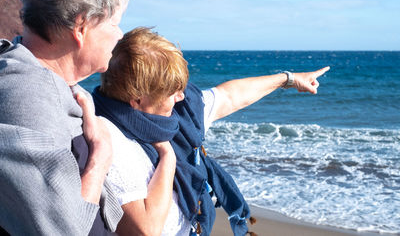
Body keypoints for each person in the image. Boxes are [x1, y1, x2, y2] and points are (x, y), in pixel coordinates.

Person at [92, 27, 330, 236]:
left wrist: (288, 79)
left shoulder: (176, 114)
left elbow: (229, 96)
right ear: (136, 100)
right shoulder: (111, 139)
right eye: (171, 93)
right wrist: (167, 157)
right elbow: (146, 230)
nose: (181, 97)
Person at [0, 0, 129, 235]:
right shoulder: (27, 94)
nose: (120, 35)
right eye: (114, 23)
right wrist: (99, 158)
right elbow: (64, 229)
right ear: (82, 26)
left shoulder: (48, 84)